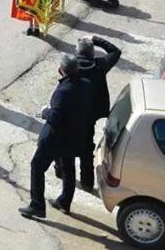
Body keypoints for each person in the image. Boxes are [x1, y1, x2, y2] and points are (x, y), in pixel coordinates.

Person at [18, 54, 93, 220]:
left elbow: (56, 118)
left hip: (55, 139)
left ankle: (37, 205)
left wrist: (46, 111)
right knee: (68, 168)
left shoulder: (62, 91)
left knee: (37, 167)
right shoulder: (87, 85)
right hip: (76, 137)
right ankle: (64, 202)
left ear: (61, 71)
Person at [72, 36, 121, 192]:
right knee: (87, 150)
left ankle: (60, 171)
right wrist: (95, 39)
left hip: (72, 115)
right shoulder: (99, 65)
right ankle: (87, 182)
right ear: (92, 53)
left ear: (77, 52)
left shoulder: (71, 66)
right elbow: (115, 51)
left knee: (65, 144)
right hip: (90, 116)